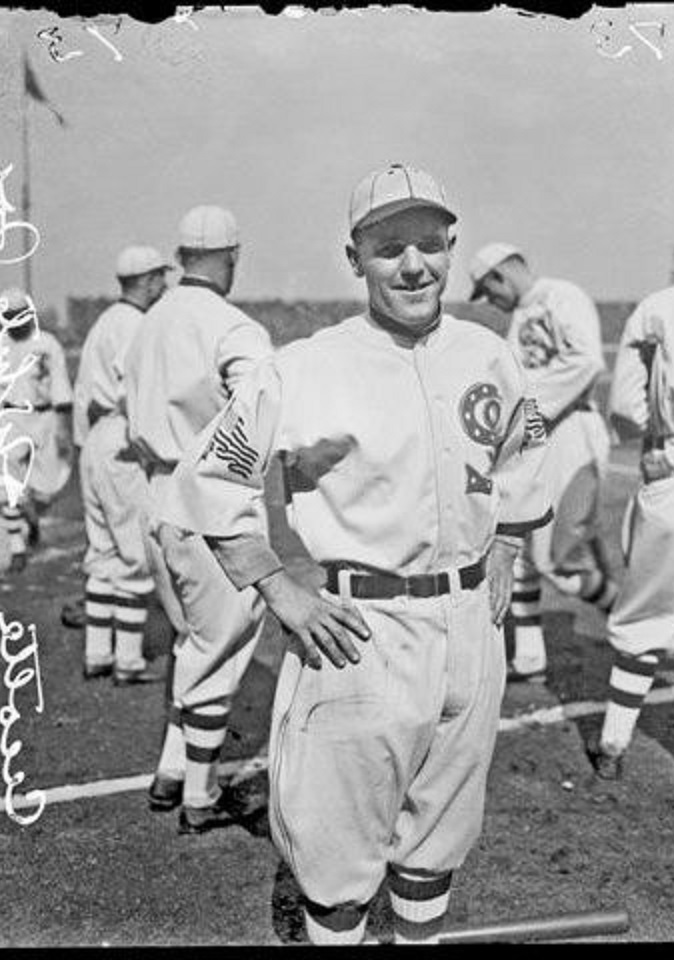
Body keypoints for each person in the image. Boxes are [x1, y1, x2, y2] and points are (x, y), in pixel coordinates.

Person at [158, 163, 552, 944]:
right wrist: (276, 585)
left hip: (469, 628)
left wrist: (507, 541)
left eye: (430, 246)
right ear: (355, 258)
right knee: (337, 865)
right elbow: (209, 477)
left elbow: (524, 452)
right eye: (388, 247)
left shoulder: (489, 353)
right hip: (358, 633)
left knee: (437, 842)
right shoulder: (306, 366)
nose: (414, 265)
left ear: (451, 248)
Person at [123, 206, 274, 830]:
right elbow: (264, 408)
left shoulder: (149, 320)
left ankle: (172, 771)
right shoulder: (232, 325)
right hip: (208, 499)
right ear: (232, 256)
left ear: (181, 257)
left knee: (193, 639)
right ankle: (201, 797)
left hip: (154, 495)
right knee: (221, 642)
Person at [588, 225, 674, 790]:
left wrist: (648, 444)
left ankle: (615, 742)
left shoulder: (665, 304)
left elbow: (624, 404)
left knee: (647, 608)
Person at [469, 244, 618, 682]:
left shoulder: (562, 296)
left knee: (557, 559)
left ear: (501, 275)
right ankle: (530, 658)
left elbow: (587, 361)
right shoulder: (518, 319)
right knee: (517, 541)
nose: (490, 301)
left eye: (487, 290)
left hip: (571, 430)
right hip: (542, 434)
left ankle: (627, 615)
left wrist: (528, 403)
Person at [72, 246, 172, 684]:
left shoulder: (105, 321)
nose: (165, 286)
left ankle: (97, 652)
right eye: (160, 279)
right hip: (121, 436)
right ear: (147, 280)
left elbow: (83, 396)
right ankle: (128, 659)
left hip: (95, 440)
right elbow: (136, 391)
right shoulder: (135, 324)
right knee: (134, 553)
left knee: (104, 551)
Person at [0, 288, 74, 572]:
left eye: (18, 315)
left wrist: (63, 429)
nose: (14, 321)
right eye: (8, 316)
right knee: (4, 483)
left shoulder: (47, 343)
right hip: (8, 416)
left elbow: (60, 387)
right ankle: (17, 548)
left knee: (48, 488)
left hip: (43, 418)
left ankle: (32, 514)